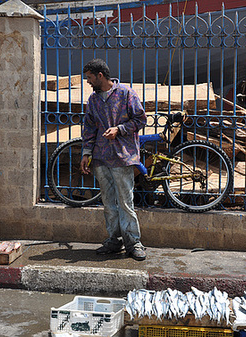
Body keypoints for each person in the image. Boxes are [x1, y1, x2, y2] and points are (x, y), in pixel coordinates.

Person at [80, 58, 148, 261]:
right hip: (101, 158)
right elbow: (89, 128)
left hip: (123, 157)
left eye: (90, 77)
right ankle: (113, 239)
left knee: (126, 202)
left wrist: (120, 130)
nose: (88, 82)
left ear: (100, 76)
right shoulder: (93, 100)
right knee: (109, 203)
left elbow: (140, 119)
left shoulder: (126, 94)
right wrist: (86, 153)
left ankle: (134, 243)